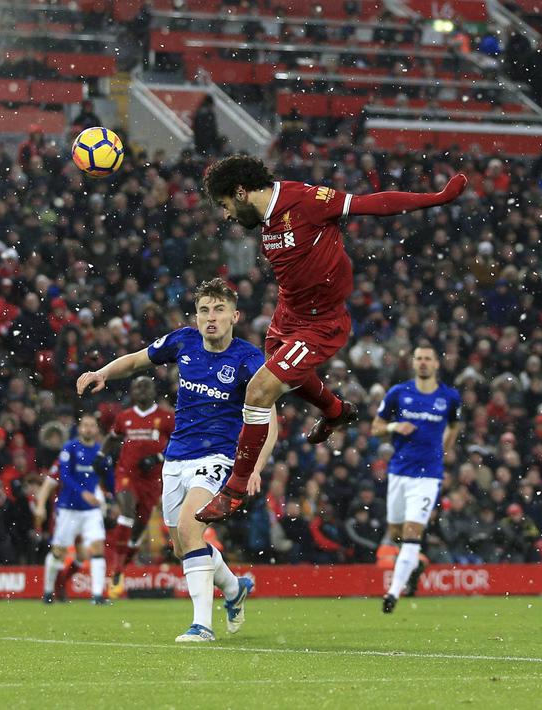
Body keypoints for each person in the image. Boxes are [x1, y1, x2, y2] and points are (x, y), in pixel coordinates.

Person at [196, 156, 467, 522]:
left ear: (241, 192)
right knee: (285, 379)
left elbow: (373, 203)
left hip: (322, 323)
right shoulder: (266, 219)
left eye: (227, 204)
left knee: (259, 390)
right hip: (286, 316)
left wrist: (437, 197)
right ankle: (336, 411)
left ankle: (235, 489)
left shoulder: (305, 200)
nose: (227, 214)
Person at [77, 279, 276, 641]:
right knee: (183, 544)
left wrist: (256, 467)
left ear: (235, 315)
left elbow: (270, 416)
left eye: (218, 310)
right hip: (177, 458)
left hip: (218, 456)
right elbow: (138, 360)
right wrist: (103, 372)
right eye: (204, 310)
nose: (210, 318)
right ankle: (234, 588)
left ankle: (202, 625)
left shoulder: (249, 359)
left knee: (190, 526)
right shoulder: (183, 341)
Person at [371, 344, 461, 613]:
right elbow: (376, 428)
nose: (423, 363)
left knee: (412, 533)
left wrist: (443, 451)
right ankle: (415, 562)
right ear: (413, 363)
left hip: (428, 476)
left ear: (436, 365)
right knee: (396, 532)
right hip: (399, 471)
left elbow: (454, 425)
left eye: (428, 359)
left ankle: (393, 593)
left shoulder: (449, 397)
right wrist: (395, 426)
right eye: (419, 358)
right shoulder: (399, 394)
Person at [100, 376, 173, 597]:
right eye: (137, 386)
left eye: (146, 385)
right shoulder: (125, 417)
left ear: (154, 390)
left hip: (151, 480)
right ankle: (115, 567)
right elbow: (113, 437)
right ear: (131, 392)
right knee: (127, 513)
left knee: (138, 530)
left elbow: (181, 442)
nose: (141, 390)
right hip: (126, 473)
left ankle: (122, 565)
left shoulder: (166, 417)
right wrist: (101, 454)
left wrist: (158, 457)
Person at [34, 413, 112, 605]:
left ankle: (97, 596)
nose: (88, 429)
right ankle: (49, 591)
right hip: (68, 509)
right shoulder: (69, 449)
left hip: (90, 510)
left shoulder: (100, 452)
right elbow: (59, 478)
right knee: (59, 552)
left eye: (92, 426)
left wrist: (113, 497)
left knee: (96, 548)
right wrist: (40, 505)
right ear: (79, 428)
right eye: (85, 425)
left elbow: (109, 477)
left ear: (96, 429)